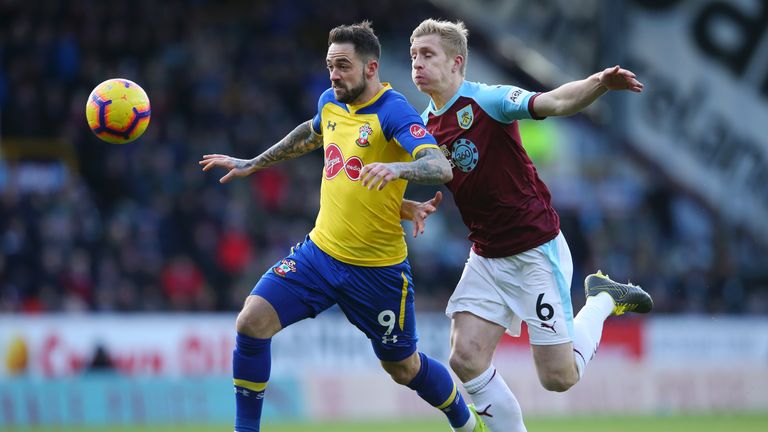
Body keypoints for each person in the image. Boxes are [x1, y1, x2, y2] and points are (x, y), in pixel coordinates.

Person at [199, 22, 487, 432]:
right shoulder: (331, 104)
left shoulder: (393, 111)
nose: (334, 74)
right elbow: (310, 133)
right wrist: (252, 163)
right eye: (330, 65)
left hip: (378, 272)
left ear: (371, 69)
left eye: (343, 66)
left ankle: (465, 423)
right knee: (251, 321)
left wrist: (397, 167)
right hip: (319, 256)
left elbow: (439, 164)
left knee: (404, 368)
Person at [406, 19, 653, 432]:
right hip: (486, 255)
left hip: (533, 250)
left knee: (558, 378)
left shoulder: (488, 100)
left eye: (428, 55)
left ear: (456, 62)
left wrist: (598, 83)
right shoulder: (423, 125)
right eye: (413, 56)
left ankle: (604, 299)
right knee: (464, 356)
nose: (417, 64)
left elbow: (554, 102)